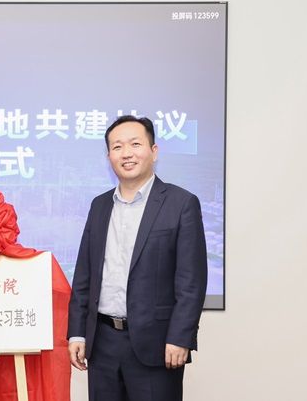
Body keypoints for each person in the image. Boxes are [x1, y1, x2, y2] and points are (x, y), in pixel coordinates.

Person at [67, 115, 207, 401]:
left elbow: (191, 282)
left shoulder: (181, 204)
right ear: (109, 156)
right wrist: (77, 333)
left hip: (157, 345)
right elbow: (84, 276)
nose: (126, 153)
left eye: (135, 144)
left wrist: (180, 337)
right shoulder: (99, 205)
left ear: (154, 151)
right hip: (102, 343)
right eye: (117, 147)